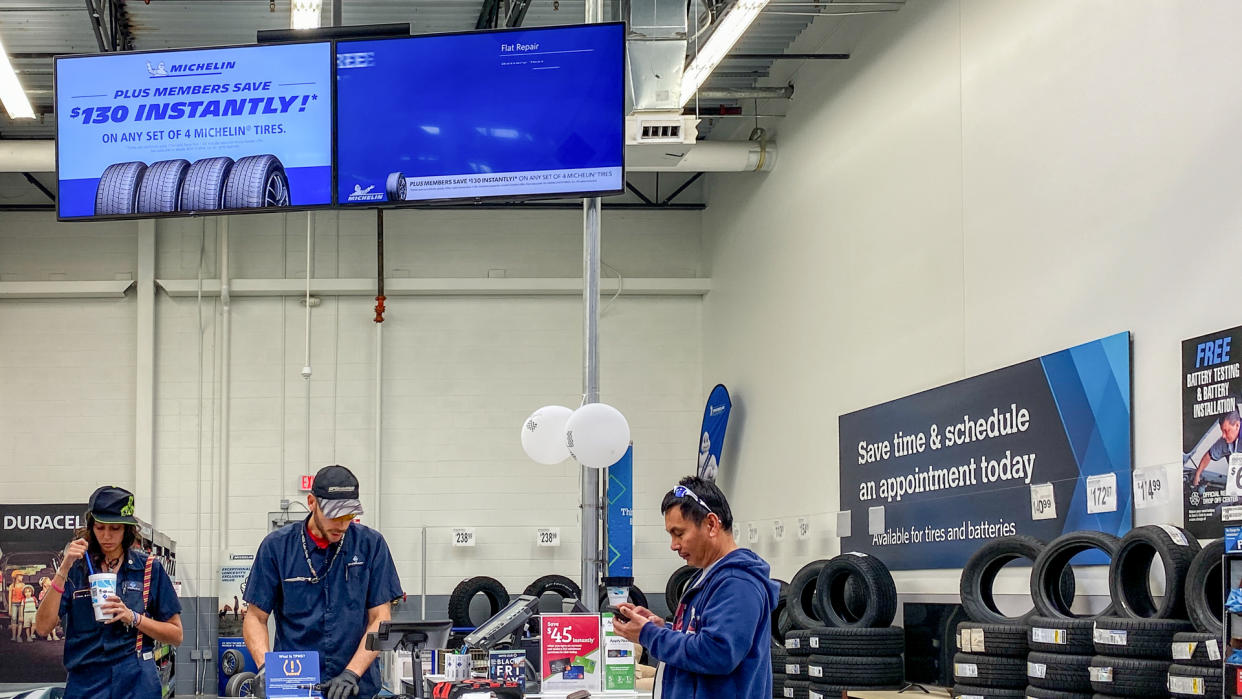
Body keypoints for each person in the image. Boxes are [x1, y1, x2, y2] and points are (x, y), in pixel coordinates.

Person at [243, 464, 404, 699]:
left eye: (348, 515)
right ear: (311, 502)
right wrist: (265, 668)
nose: (342, 524)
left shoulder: (371, 545)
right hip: (295, 686)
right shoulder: (276, 548)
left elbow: (380, 618)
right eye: (334, 515)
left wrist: (352, 673)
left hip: (356, 687)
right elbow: (256, 617)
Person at [612, 476, 779, 699]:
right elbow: (701, 638)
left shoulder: (737, 584)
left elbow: (717, 652)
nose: (673, 545)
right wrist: (663, 628)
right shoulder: (707, 577)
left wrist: (649, 634)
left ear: (711, 524)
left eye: (679, 533)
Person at [34, 486, 183, 699]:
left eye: (115, 528)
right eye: (100, 527)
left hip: (136, 680)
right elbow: (42, 627)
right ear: (91, 527)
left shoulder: (149, 568)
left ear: (127, 530)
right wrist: (64, 568)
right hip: (86, 682)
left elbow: (176, 635)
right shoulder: (77, 568)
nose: (106, 536)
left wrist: (133, 617)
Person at [1192, 410, 1241, 487]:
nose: (1223, 436)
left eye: (1226, 431)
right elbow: (1208, 455)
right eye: (1222, 431)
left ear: (1237, 425)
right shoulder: (1225, 440)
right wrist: (1197, 475)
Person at [9, 571, 26, 641]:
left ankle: (18, 636)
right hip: (14, 604)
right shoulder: (12, 586)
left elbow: (24, 596)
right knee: (13, 619)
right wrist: (10, 609)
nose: (22, 577)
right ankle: (13, 636)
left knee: (20, 620)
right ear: (16, 576)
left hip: (21, 604)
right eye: (20, 575)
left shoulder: (23, 585)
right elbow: (10, 598)